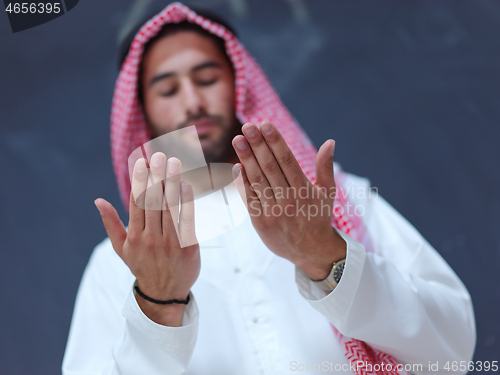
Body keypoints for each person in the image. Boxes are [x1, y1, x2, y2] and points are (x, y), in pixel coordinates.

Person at [62, 3, 476, 374]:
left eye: (206, 79)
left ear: (238, 85)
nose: (191, 102)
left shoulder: (335, 202)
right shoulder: (122, 262)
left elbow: (452, 351)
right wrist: (158, 303)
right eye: (168, 90)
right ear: (142, 113)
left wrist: (325, 255)